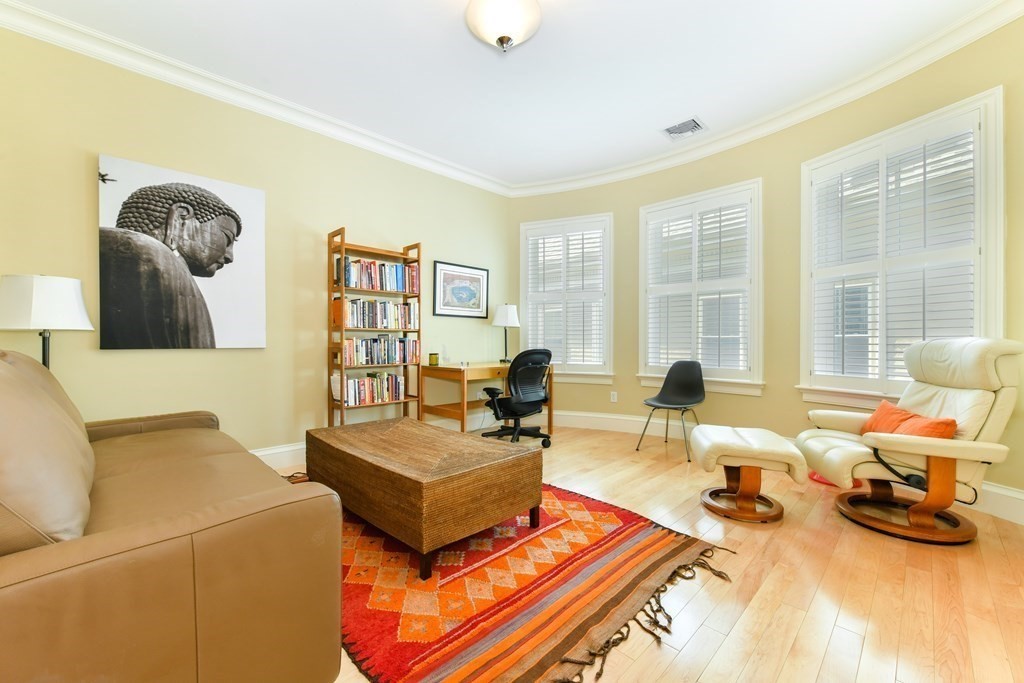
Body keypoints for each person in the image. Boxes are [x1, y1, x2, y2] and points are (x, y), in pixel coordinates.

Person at [99, 182, 242, 349]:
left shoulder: (164, 264)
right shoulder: (141, 252)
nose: (229, 256)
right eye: (227, 238)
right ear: (180, 218)